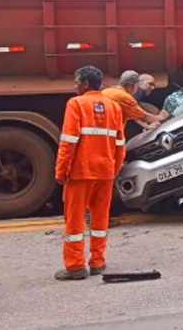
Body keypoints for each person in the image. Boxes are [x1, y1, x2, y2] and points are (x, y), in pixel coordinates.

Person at [54, 66, 126, 280]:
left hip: (80, 172)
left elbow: (68, 141)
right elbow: (120, 144)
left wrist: (61, 170)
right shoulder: (114, 107)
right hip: (105, 172)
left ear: (85, 84)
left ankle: (75, 266)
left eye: (76, 82)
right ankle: (97, 262)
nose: (75, 86)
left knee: (75, 221)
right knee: (100, 219)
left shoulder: (75, 104)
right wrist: (113, 170)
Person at [102, 70, 168, 130]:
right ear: (135, 85)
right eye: (150, 84)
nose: (153, 88)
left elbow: (136, 116)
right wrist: (160, 117)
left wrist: (147, 127)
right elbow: (144, 117)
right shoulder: (125, 96)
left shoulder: (107, 91)